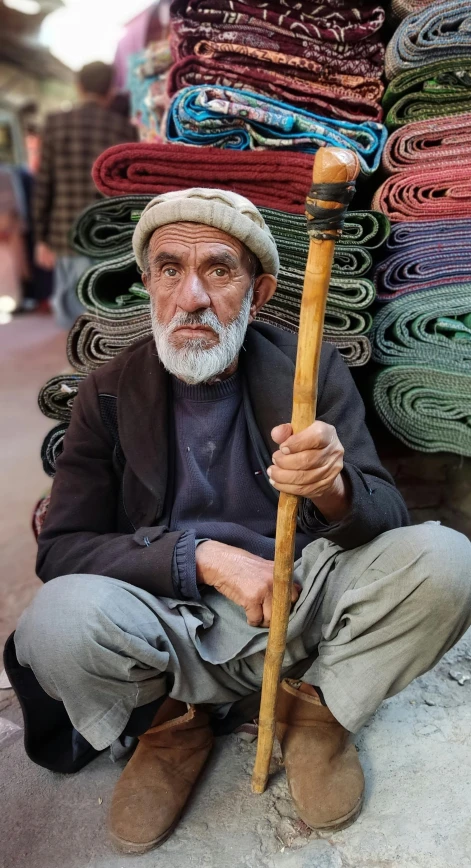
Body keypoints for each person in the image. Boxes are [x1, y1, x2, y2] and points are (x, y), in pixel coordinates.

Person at [6, 189, 471, 855]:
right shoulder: (106, 391)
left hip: (299, 601)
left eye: (218, 271)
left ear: (258, 293)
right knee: (54, 620)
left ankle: (314, 711)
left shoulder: (308, 371)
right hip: (170, 619)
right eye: (169, 270)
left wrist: (333, 488)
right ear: (147, 285)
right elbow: (64, 550)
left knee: (445, 559)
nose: (190, 296)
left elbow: (388, 517)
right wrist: (200, 558)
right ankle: (175, 723)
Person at [33, 61, 137, 328]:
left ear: (79, 87)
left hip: (64, 232)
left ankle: (77, 361)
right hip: (108, 233)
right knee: (105, 307)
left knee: (72, 313)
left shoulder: (55, 124)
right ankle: (99, 363)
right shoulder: (123, 129)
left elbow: (44, 183)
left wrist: (41, 237)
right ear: (111, 90)